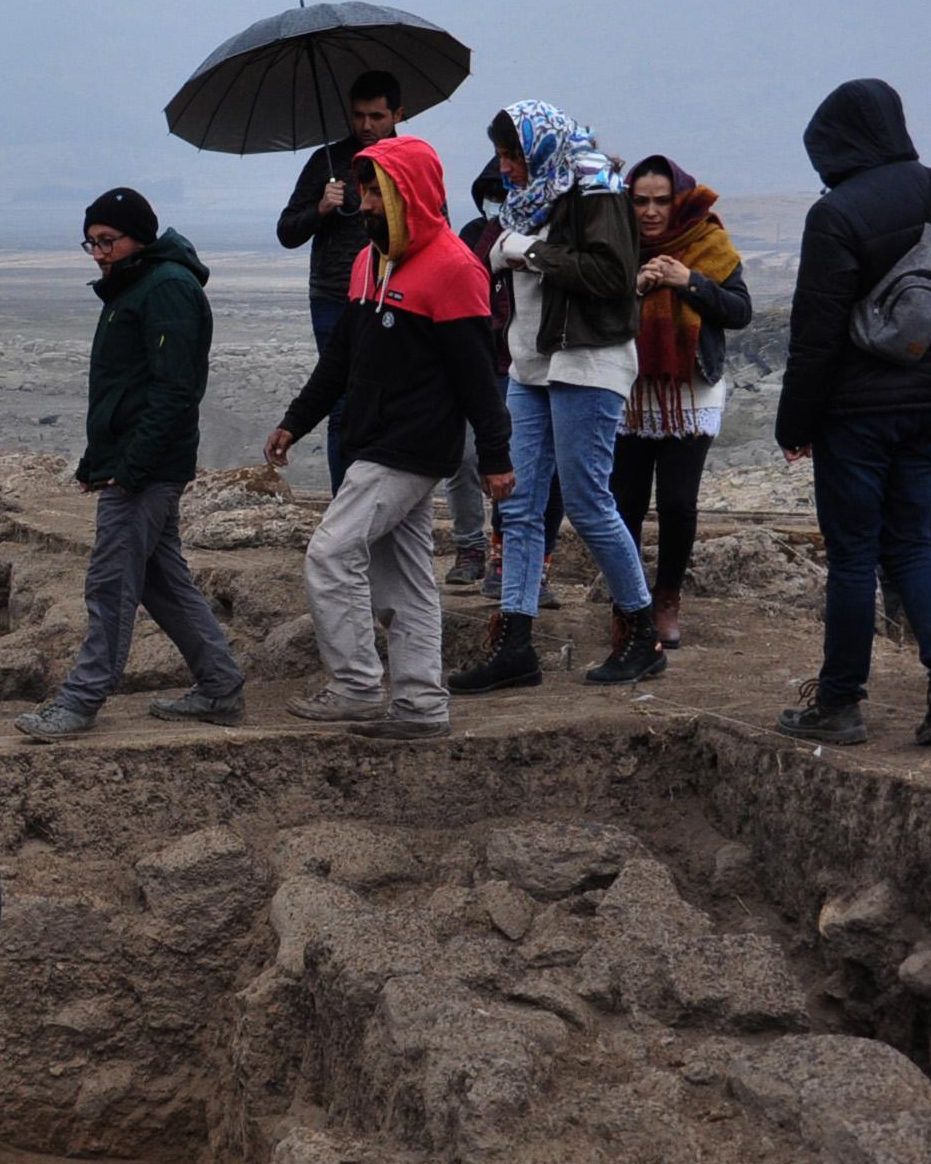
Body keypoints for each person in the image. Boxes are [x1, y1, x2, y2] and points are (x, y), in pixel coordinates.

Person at [266, 137, 512, 742]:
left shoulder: (454, 268)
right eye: (365, 188)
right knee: (405, 580)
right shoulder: (367, 263)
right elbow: (340, 360)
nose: (366, 202)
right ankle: (422, 705)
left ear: (413, 194)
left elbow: (478, 375)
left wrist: (496, 457)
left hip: (413, 445)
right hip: (371, 439)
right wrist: (296, 420)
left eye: (379, 190)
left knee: (330, 552)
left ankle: (354, 687)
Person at [14, 188, 244, 740]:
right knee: (162, 583)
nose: (98, 253)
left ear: (138, 236)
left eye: (107, 241)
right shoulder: (139, 285)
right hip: (137, 461)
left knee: (111, 582)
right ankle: (219, 685)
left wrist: (132, 465)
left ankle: (80, 700)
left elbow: (173, 390)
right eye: (91, 243)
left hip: (145, 467)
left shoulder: (167, 290)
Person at [450, 101, 661, 695]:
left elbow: (613, 275)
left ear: (536, 148)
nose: (506, 169)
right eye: (501, 157)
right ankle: (515, 644)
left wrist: (526, 253)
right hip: (532, 363)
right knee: (517, 506)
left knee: (589, 502)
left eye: (511, 156)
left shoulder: (596, 187)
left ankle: (642, 634)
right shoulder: (531, 198)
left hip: (588, 360)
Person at [770, 78, 931, 747]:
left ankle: (840, 704)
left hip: (858, 416)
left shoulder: (837, 214)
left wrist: (794, 425)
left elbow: (814, 335)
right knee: (911, 547)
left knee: (853, 558)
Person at [614, 155, 753, 653]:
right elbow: (593, 307)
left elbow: (740, 311)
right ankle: (627, 602)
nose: (651, 212)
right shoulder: (614, 242)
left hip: (691, 389)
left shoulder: (707, 242)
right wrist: (633, 288)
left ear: (680, 200)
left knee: (676, 501)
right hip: (627, 388)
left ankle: (667, 598)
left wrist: (688, 281)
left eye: (661, 201)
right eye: (641, 201)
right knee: (624, 501)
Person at [275, 72, 406, 489]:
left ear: (397, 115)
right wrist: (320, 210)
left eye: (376, 116)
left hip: (395, 293)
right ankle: (344, 504)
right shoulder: (327, 164)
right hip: (335, 297)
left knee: (392, 399)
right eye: (358, 116)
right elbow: (287, 231)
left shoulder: (410, 161)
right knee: (343, 401)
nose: (366, 126)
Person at [443, 162, 514, 591]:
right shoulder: (472, 235)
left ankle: (504, 550)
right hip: (474, 363)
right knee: (464, 458)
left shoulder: (538, 237)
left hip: (517, 365)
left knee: (514, 464)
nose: (500, 203)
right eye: (494, 193)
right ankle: (469, 546)